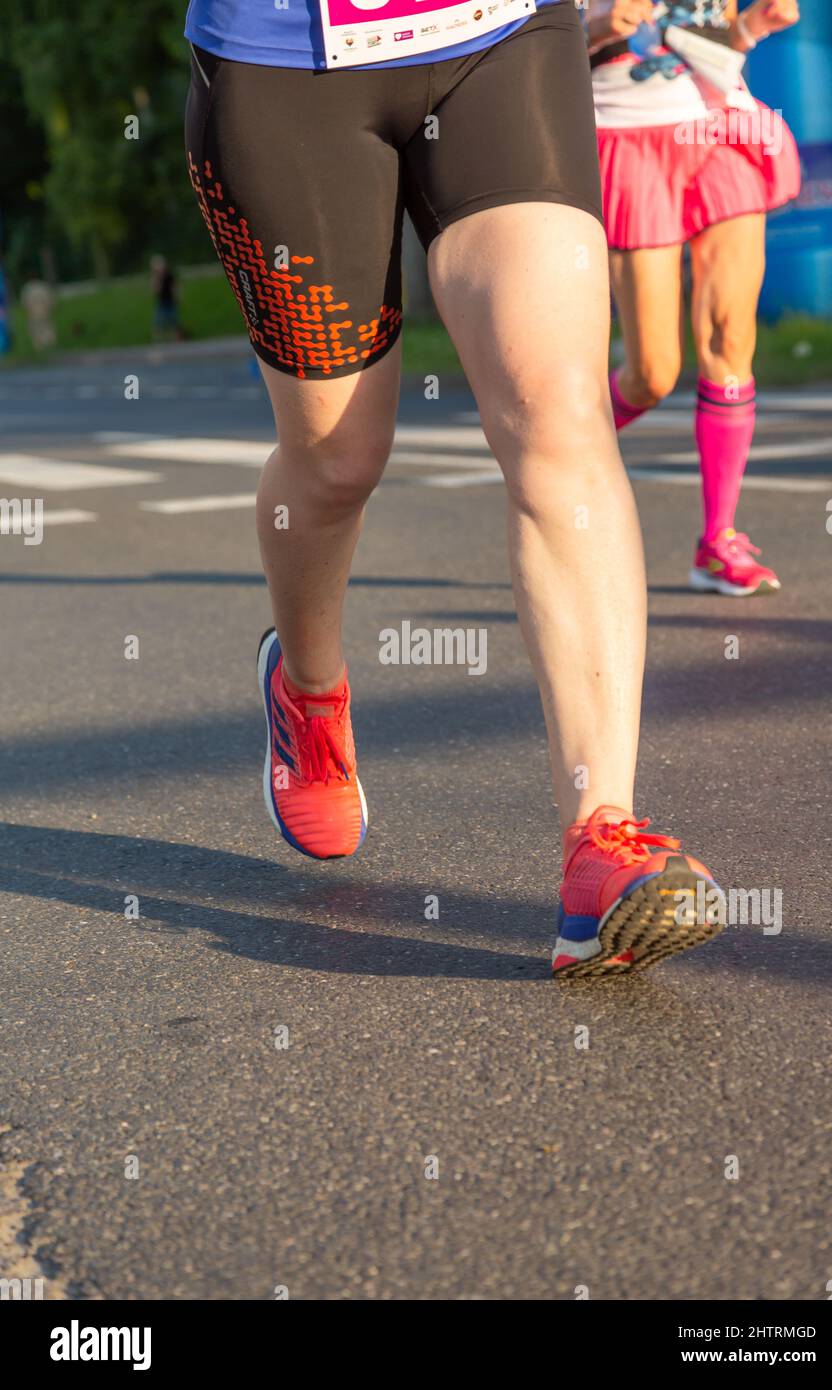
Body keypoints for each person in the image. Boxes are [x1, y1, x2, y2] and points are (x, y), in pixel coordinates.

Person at [183, 0, 722, 976]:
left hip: (497, 34)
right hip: (284, 66)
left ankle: (598, 843)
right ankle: (308, 695)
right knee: (338, 457)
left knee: (555, 408)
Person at [587, 0, 801, 596]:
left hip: (718, 126)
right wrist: (593, 29)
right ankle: (550, 451)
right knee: (652, 375)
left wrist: (754, 27)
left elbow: (709, 39)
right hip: (628, 144)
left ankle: (718, 541)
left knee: (731, 340)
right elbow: (519, 67)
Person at [150, 255, 182, 340]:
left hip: (171, 301)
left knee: (174, 322)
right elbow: (155, 291)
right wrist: (158, 279)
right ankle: (158, 341)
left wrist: (177, 296)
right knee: (158, 323)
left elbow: (174, 287)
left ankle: (176, 340)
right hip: (162, 303)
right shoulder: (156, 277)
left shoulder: (169, 275)